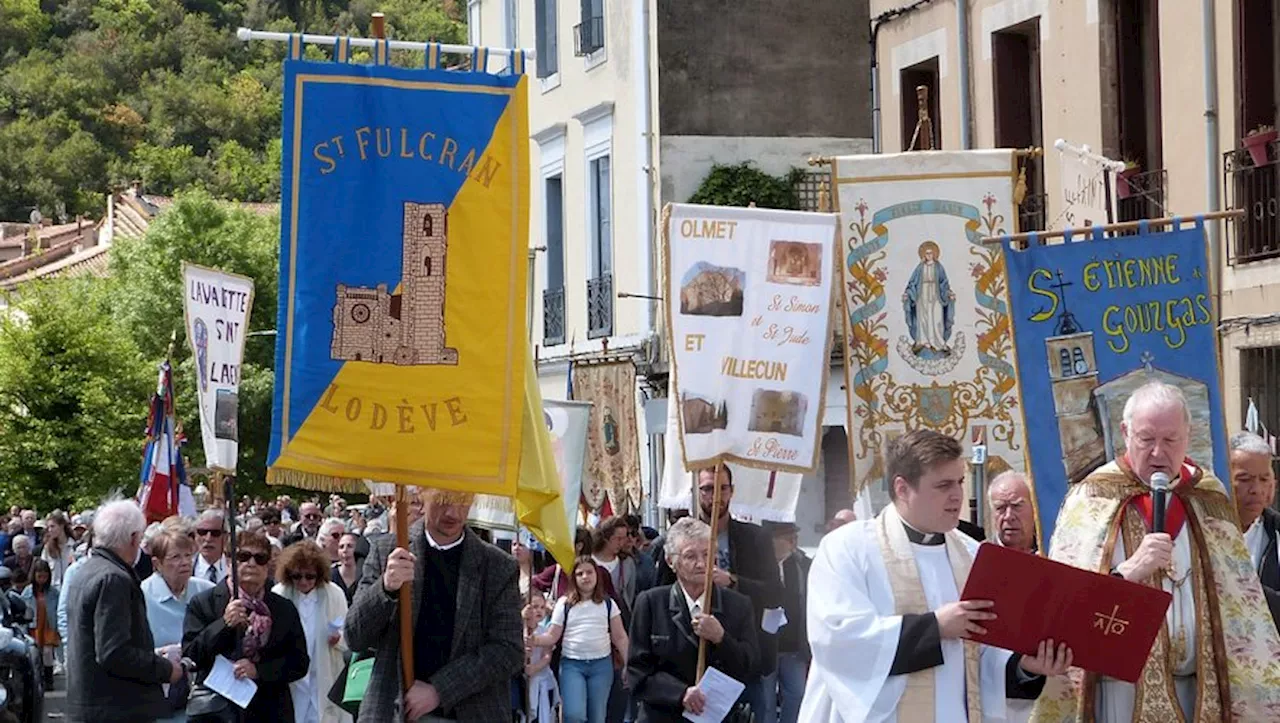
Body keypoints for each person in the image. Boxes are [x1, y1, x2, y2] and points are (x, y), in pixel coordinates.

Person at [1034, 382, 1280, 721]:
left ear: (1188, 435)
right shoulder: (1091, 498)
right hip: (1118, 694)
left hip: (1201, 691)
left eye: (1170, 440)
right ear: (1125, 432)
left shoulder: (1209, 498)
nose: (1157, 453)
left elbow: (1241, 604)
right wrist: (1129, 571)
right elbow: (1064, 605)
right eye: (1146, 439)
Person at [799, 430, 1070, 723]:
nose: (957, 495)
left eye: (960, 482)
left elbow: (983, 654)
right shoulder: (848, 548)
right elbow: (838, 639)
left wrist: (1024, 666)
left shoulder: (973, 554)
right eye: (943, 485)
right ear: (902, 488)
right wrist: (935, 627)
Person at [345, 489, 523, 722]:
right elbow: (355, 636)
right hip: (392, 710)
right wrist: (385, 588)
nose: (452, 512)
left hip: (472, 711)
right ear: (422, 495)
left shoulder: (498, 566)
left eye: (462, 501)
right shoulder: (387, 552)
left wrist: (440, 690)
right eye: (442, 500)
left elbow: (509, 650)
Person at [657, 465, 782, 723]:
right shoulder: (678, 539)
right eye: (707, 489)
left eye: (722, 488)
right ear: (696, 492)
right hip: (689, 663)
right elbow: (659, 595)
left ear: (732, 491)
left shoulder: (755, 538)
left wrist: (733, 581)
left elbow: (775, 594)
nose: (715, 496)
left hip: (741, 658)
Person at [627, 517, 759, 722]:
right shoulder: (651, 603)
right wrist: (681, 694)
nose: (701, 564)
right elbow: (638, 672)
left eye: (707, 555)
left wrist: (722, 639)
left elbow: (750, 666)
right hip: (663, 716)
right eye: (690, 556)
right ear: (671, 561)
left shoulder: (738, 605)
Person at [65, 499, 184, 722]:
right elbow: (114, 652)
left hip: (95, 706)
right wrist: (165, 669)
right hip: (116, 708)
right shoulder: (113, 579)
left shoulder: (87, 571)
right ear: (133, 538)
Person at [183, 530, 311, 722]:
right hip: (218, 712)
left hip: (269, 711)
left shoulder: (283, 608)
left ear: (268, 566)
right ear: (228, 562)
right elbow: (191, 656)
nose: (252, 563)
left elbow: (299, 663)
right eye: (243, 556)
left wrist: (259, 670)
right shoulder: (204, 603)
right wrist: (223, 625)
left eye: (260, 558)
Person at [527, 556, 629, 723]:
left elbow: (620, 637)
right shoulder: (564, 603)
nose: (585, 577)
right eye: (580, 573)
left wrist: (628, 664)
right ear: (573, 578)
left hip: (601, 666)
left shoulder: (608, 604)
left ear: (597, 575)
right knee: (574, 715)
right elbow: (552, 635)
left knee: (597, 716)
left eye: (589, 572)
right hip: (572, 665)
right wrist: (534, 640)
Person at [141, 530, 215, 723]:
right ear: (157, 564)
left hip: (203, 694)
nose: (184, 562)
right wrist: (161, 654)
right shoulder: (141, 596)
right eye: (175, 557)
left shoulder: (207, 591)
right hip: (160, 692)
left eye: (188, 555)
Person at [273, 542, 351, 723]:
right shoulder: (279, 593)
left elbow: (348, 632)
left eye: (310, 576)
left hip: (325, 673)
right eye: (297, 576)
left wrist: (338, 639)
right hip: (292, 678)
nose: (303, 581)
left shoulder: (334, 594)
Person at [1230, 430, 1280, 625]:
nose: (1256, 489)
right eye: (1244, 480)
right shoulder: (1204, 534)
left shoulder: (1275, 532)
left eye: (1264, 479)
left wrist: (1243, 587)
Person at [767, 522, 810, 723]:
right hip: (766, 647)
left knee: (797, 695)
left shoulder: (803, 564)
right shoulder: (759, 565)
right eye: (788, 537)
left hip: (794, 646)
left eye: (795, 537)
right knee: (765, 702)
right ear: (772, 540)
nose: (794, 542)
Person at [21, 559, 58, 688]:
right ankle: (38, 680)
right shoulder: (28, 591)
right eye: (39, 576)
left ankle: (49, 680)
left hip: (48, 625)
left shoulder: (53, 592)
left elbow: (57, 609)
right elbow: (24, 609)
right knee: (35, 654)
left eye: (45, 576)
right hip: (34, 626)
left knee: (48, 653)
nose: (42, 579)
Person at [522, 595, 559, 723]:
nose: (539, 610)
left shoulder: (545, 632)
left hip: (542, 678)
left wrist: (534, 668)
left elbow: (547, 656)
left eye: (542, 607)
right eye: (535, 607)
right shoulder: (519, 630)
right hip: (523, 681)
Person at [987, 471, 1038, 553]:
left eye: (1016, 506)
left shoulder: (1054, 554)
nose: (1008, 516)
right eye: (1000, 508)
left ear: (1034, 509)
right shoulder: (978, 558)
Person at [192, 511, 229, 584]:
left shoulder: (235, 569)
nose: (208, 538)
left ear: (225, 537)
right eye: (202, 532)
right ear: (195, 536)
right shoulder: (186, 569)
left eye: (215, 533)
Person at [41, 512, 74, 588]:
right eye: (48, 527)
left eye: (53, 526)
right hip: (53, 591)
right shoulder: (47, 548)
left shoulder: (74, 546)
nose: (50, 530)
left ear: (62, 526)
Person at [331, 533, 363, 607]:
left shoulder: (365, 575)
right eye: (341, 547)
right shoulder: (330, 576)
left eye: (350, 546)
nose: (345, 550)